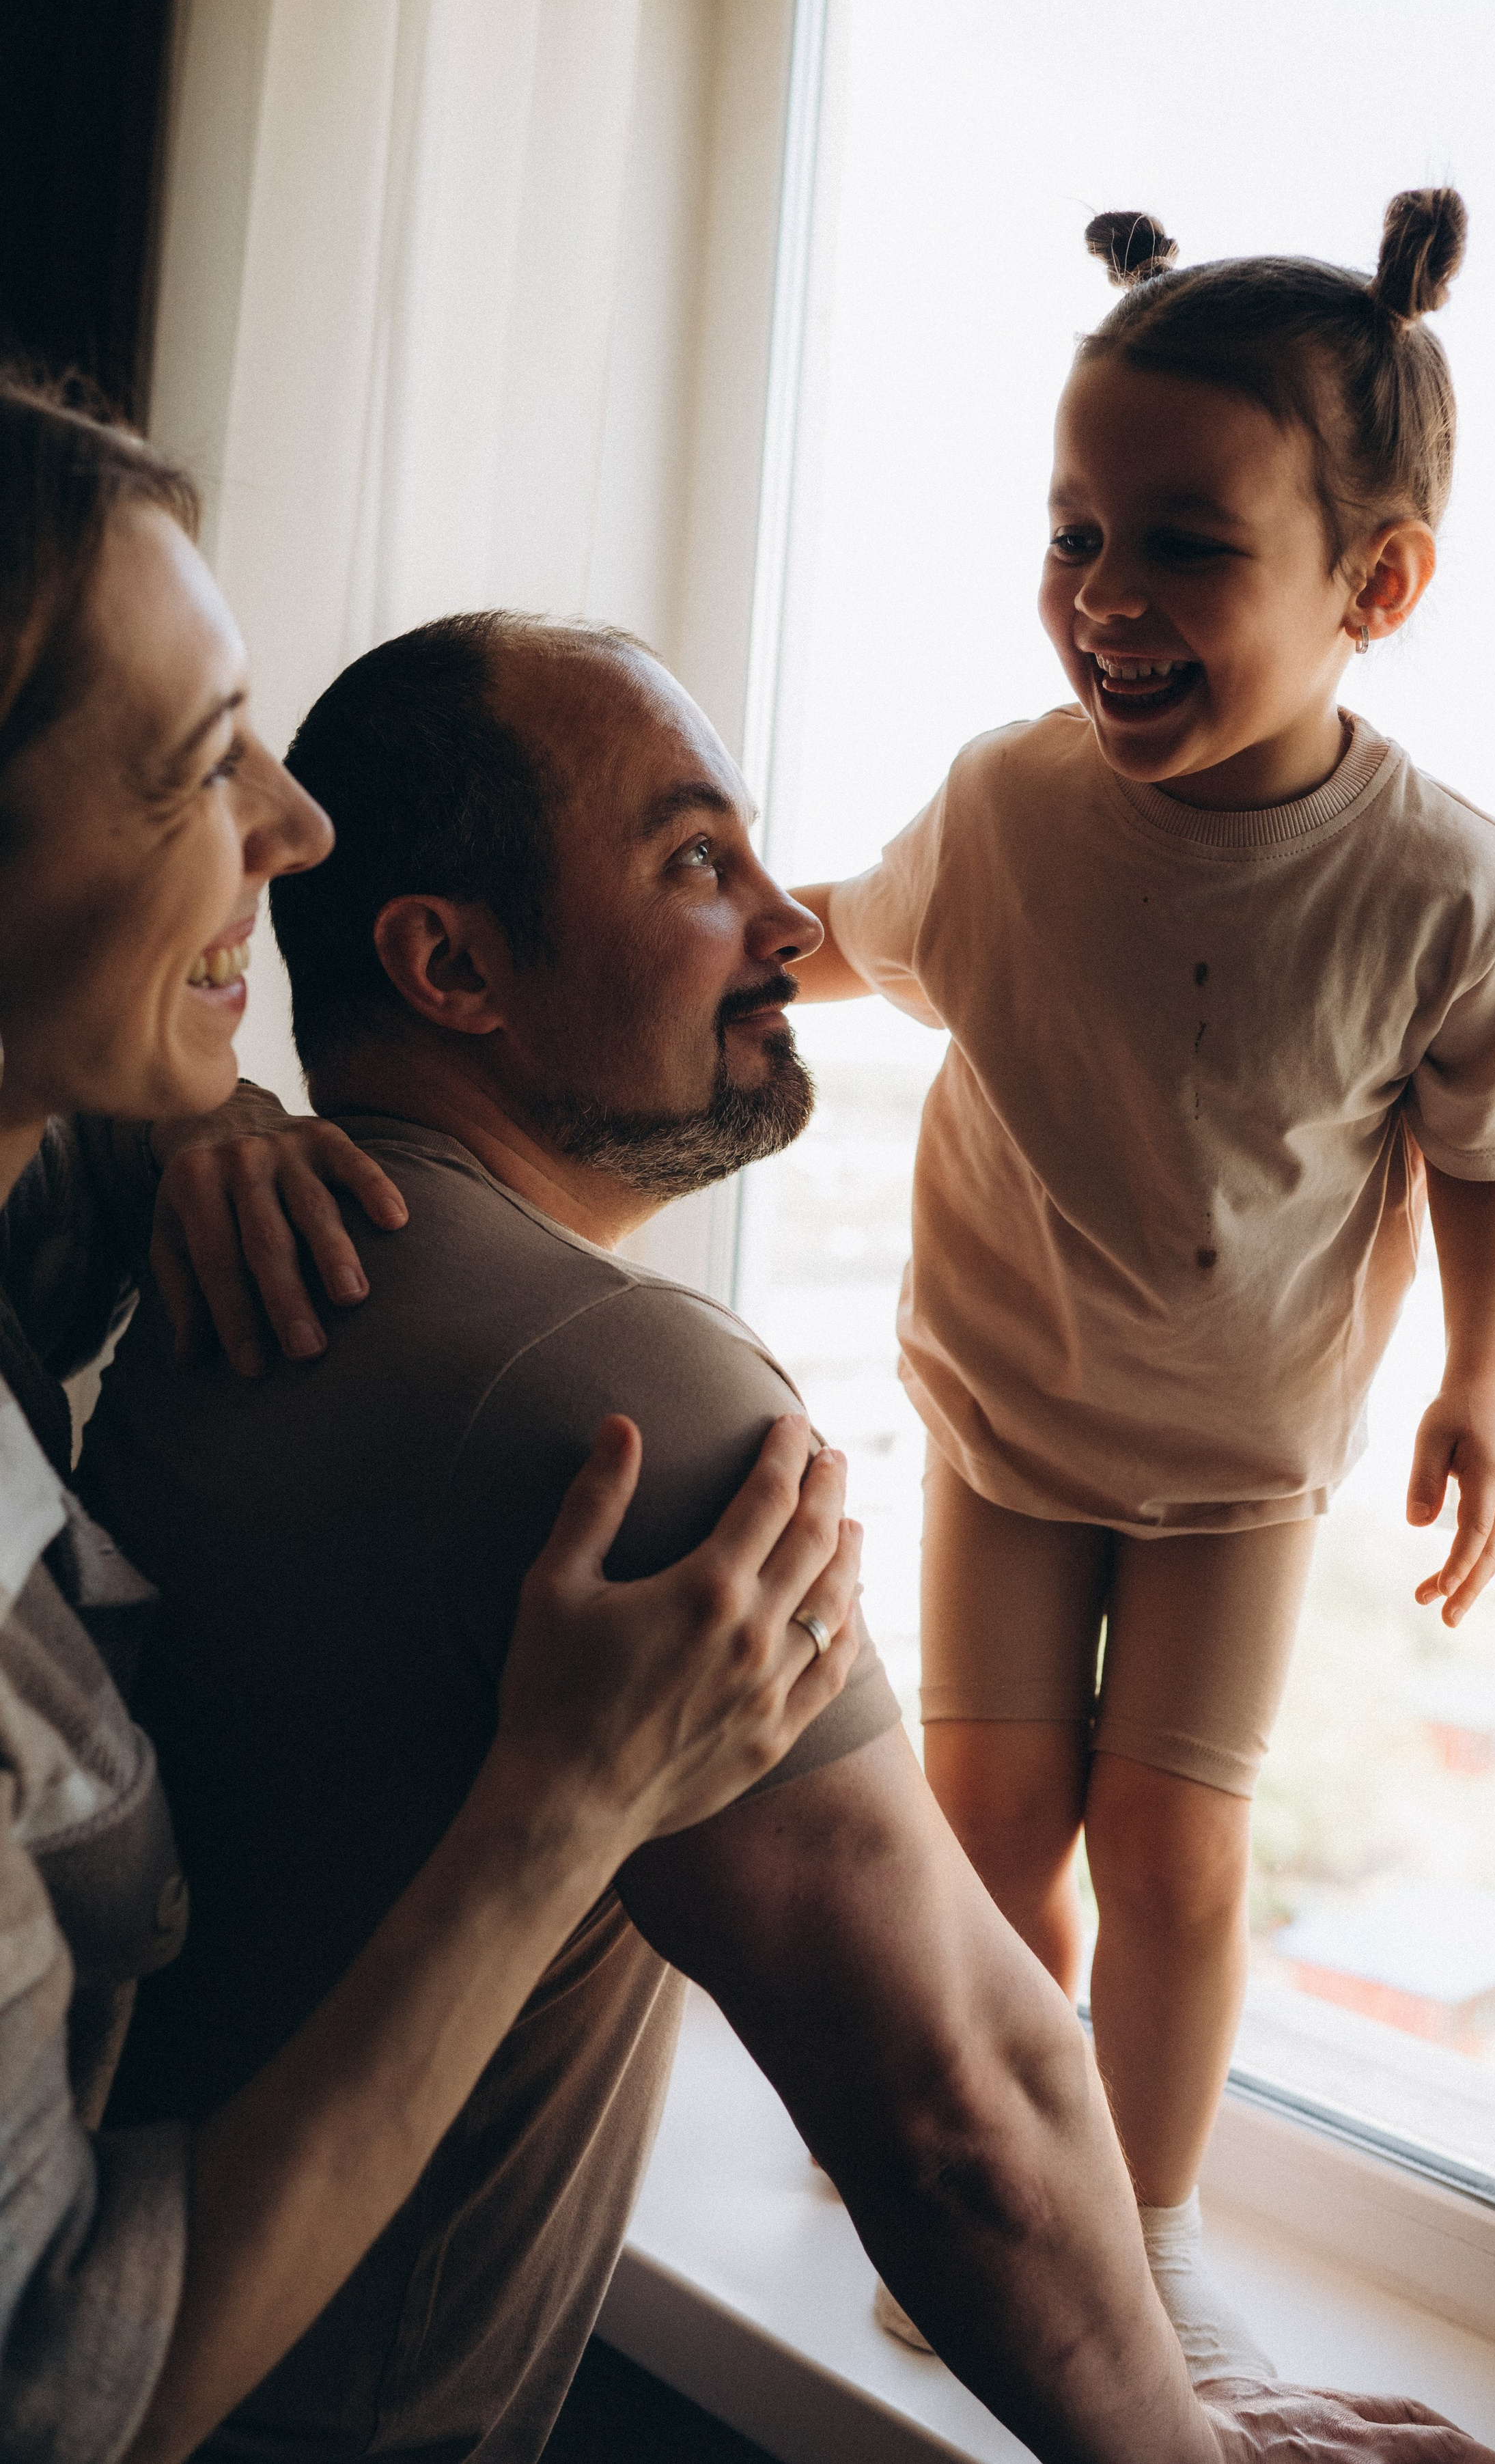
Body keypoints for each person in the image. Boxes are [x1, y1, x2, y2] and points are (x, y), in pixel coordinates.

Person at [83, 607, 1495, 2464]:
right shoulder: (628, 1411)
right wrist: (1196, 2447)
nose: (786, 922)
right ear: (448, 963)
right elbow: (953, 2102)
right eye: (696, 858)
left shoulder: (200, 1263)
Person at [0, 372, 868, 2464]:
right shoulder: (635, 1407)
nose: (288, 831)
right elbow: (59, 2397)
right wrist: (561, 1807)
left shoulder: (111, 1200)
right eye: (205, 765)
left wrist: (213, 1114)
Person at [789, 193, 1495, 2375]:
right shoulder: (1012, 808)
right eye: (1073, 539)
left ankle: (1136, 2220)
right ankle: (979, 2153)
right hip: (1011, 1410)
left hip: (1238, 1455)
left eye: (1186, 548)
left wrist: (1488, 1385)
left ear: (1375, 583)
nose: (1106, 603)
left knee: (1176, 1841)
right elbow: (856, 930)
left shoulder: (1443, 887)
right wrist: (702, 948)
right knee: (991, 1821)